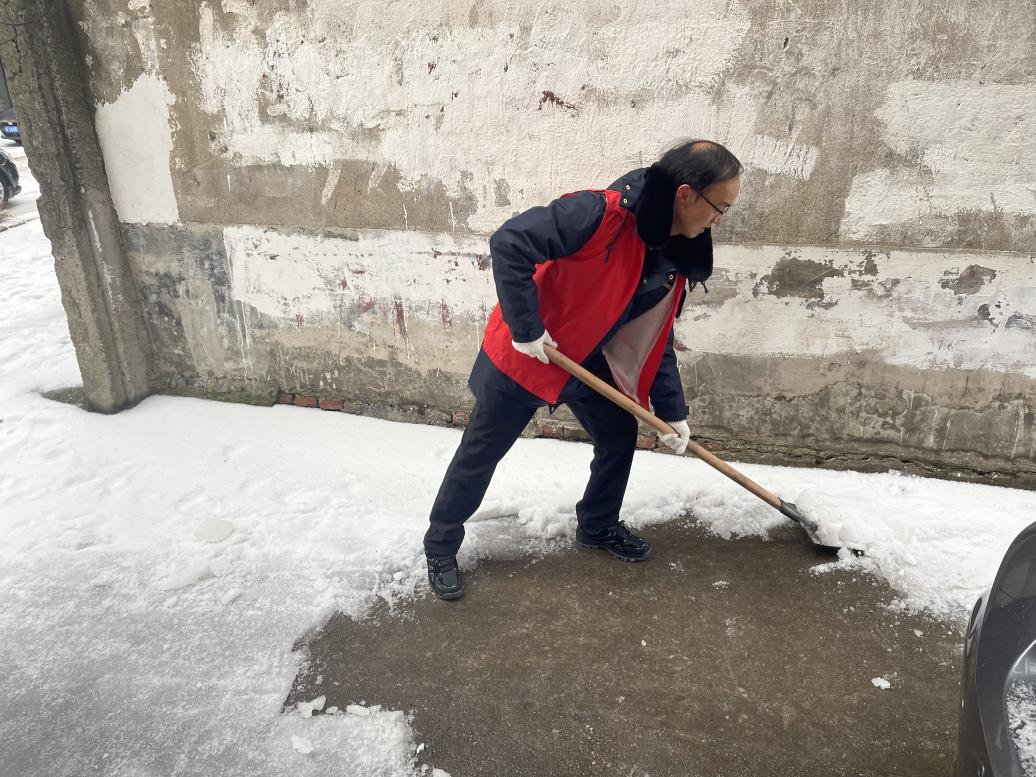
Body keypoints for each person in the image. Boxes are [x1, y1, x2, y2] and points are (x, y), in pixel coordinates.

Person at [424, 139, 743, 599]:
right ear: (686, 194)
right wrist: (527, 327)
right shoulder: (597, 214)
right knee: (481, 453)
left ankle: (596, 525)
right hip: (530, 353)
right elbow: (510, 242)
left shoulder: (672, 255)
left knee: (618, 437)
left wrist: (673, 411)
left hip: (586, 361)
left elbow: (656, 337)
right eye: (720, 208)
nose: (719, 221)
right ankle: (440, 544)